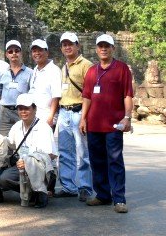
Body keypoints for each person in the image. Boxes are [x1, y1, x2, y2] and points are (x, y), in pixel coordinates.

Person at [80, 34, 133, 214]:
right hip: (94, 124)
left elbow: (127, 95)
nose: (103, 49)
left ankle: (119, 199)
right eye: (100, 46)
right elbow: (86, 96)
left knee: (115, 161)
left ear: (113, 49)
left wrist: (127, 117)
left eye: (107, 46)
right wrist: (83, 119)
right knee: (97, 161)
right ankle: (103, 195)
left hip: (113, 125)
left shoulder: (122, 69)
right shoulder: (91, 71)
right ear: (96, 49)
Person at [0, 94, 57, 209]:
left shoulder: (43, 127)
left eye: (27, 108)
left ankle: (42, 192)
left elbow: (50, 155)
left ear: (34, 109)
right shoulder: (16, 126)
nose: (23, 112)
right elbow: (9, 144)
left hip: (42, 168)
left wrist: (28, 161)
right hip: (21, 166)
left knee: (35, 166)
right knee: (4, 179)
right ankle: (31, 193)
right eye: (20, 109)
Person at [54, 32, 93, 201]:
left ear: (78, 46)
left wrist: (84, 117)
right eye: (64, 45)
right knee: (65, 151)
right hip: (64, 112)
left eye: (71, 44)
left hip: (79, 112)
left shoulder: (86, 65)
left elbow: (90, 93)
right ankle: (69, 186)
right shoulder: (64, 67)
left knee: (83, 152)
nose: (67, 47)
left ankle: (85, 186)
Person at [0, 40, 33, 136]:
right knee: (3, 140)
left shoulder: (30, 73)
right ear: (7, 54)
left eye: (16, 51)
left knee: (23, 138)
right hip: (4, 112)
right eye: (10, 51)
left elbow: (32, 93)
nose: (14, 53)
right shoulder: (2, 73)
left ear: (21, 53)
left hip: (22, 111)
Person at [28, 39, 62, 126]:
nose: (37, 53)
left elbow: (56, 96)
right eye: (34, 51)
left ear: (47, 52)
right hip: (34, 117)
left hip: (46, 117)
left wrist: (51, 117)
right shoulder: (35, 70)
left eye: (40, 50)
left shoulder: (54, 70)